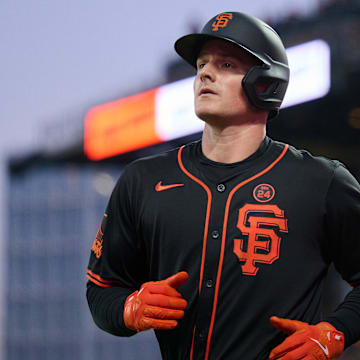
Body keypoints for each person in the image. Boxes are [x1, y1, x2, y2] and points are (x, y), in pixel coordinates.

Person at [86, 11, 360, 359]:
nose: (205, 73)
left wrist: (336, 332)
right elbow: (101, 291)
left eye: (226, 64)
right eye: (201, 64)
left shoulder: (321, 181)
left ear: (266, 82)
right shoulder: (143, 180)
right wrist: (130, 308)